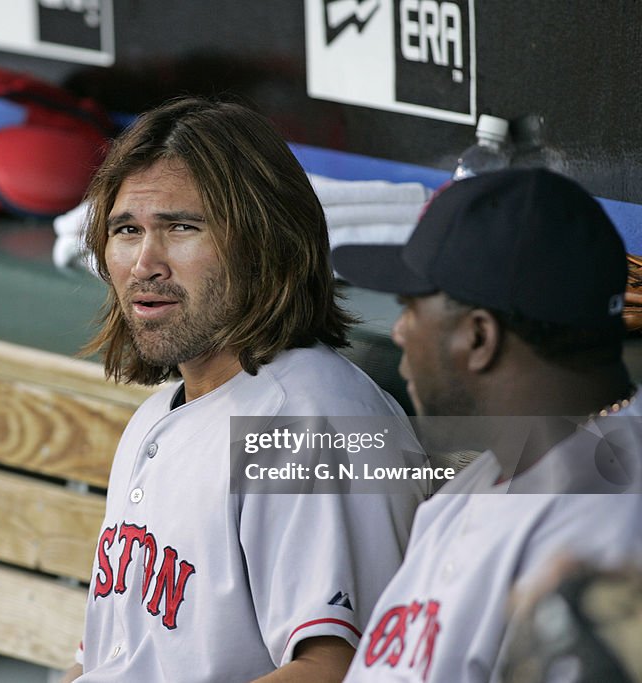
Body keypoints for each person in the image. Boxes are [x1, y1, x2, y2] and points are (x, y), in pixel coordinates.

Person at [61, 96, 427, 683]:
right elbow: (108, 665)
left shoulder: (309, 423)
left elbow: (339, 671)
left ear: (264, 244)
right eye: (127, 230)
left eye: (182, 227)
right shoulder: (159, 415)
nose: (144, 262)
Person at [332, 168, 642, 682]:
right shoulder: (490, 476)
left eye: (411, 308)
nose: (399, 331)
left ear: (479, 337)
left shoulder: (603, 532)